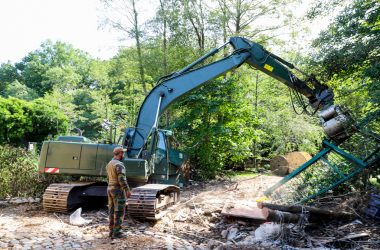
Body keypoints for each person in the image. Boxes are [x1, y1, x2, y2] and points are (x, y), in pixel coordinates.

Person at [106, 146, 131, 239]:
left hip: (110, 188)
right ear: (120, 153)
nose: (123, 154)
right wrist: (127, 189)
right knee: (119, 211)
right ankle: (117, 233)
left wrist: (111, 186)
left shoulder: (109, 164)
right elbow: (122, 179)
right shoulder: (119, 164)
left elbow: (108, 178)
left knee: (111, 210)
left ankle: (111, 231)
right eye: (122, 153)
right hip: (118, 190)